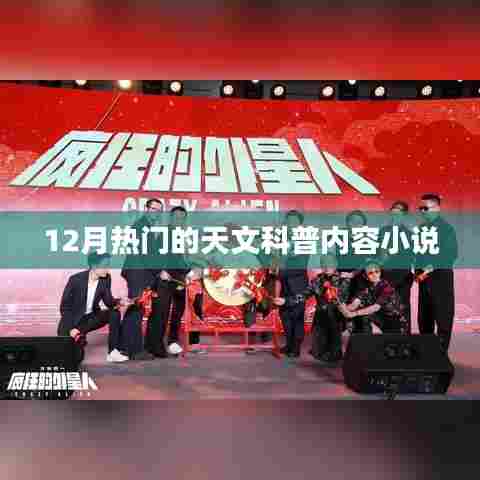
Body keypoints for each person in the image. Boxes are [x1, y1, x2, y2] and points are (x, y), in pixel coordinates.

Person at [57, 252, 128, 363]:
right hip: (72, 320)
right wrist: (71, 328)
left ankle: (113, 352)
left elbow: (108, 302)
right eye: (105, 266)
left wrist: (120, 301)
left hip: (91, 318)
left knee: (114, 313)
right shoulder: (75, 279)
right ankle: (79, 337)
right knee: (75, 357)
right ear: (94, 266)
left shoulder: (106, 278)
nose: (107, 269)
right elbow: (64, 307)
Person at [121, 198, 169, 360]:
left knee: (137, 309)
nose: (157, 213)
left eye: (159, 210)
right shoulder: (140, 226)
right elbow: (145, 253)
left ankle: (129, 348)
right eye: (154, 209)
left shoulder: (147, 226)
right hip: (137, 272)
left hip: (142, 273)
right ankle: (133, 350)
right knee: (136, 310)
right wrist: (160, 271)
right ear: (146, 209)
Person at [415, 194, 458, 352]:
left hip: (441, 280)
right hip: (424, 281)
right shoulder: (421, 229)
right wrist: (417, 273)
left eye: (425, 208)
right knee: (424, 319)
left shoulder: (446, 229)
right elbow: (418, 255)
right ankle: (427, 354)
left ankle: (440, 356)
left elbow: (450, 254)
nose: (422, 211)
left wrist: (427, 270)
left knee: (443, 318)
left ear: (437, 208)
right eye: (420, 208)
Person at [272, 210, 310, 358]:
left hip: (298, 285)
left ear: (300, 224)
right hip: (285, 285)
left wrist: (279, 272)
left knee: (297, 318)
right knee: (285, 317)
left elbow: (300, 267)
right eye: (289, 221)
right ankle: (288, 345)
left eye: (294, 221)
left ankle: (296, 348)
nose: (291, 223)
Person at [338, 259, 409, 335]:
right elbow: (354, 304)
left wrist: (354, 313)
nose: (374, 275)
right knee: (363, 316)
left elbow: (376, 307)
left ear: (380, 272)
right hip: (380, 318)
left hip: (396, 320)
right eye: (370, 273)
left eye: (377, 271)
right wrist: (343, 307)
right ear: (365, 276)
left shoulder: (386, 287)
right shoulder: (365, 288)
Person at [303, 253, 351, 363]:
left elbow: (342, 298)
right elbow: (306, 293)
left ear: (335, 264)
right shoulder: (317, 279)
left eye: (330, 264)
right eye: (324, 264)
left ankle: (335, 353)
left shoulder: (343, 279)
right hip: (320, 313)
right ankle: (320, 350)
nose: (327, 267)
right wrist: (289, 300)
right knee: (317, 351)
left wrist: (329, 288)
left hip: (336, 312)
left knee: (334, 339)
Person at [378, 201, 415, 333]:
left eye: (399, 211)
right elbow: (378, 254)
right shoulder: (383, 231)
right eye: (393, 210)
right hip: (386, 276)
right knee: (386, 309)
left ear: (405, 215)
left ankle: (405, 339)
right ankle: (388, 337)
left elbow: (411, 257)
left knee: (403, 308)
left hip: (402, 277)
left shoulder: (409, 234)